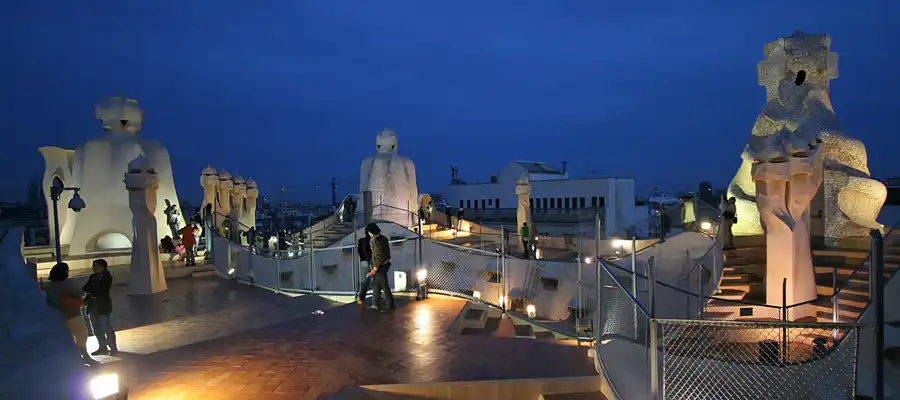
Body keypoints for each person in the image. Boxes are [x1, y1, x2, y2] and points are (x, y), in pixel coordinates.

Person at [44, 262, 95, 364]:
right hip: (73, 314)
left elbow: (50, 300)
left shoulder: (50, 286)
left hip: (59, 315)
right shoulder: (68, 283)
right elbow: (81, 293)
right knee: (81, 335)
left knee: (67, 338)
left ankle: (71, 360)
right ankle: (84, 356)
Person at [83, 259, 117, 356]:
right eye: (93, 266)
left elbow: (102, 289)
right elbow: (86, 288)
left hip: (103, 305)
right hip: (93, 305)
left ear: (102, 267)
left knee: (106, 327)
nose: (93, 268)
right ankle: (102, 346)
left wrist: (92, 292)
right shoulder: (93, 277)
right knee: (96, 327)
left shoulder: (106, 277)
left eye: (96, 266)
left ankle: (113, 347)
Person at [366, 223, 395, 312]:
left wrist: (374, 269)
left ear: (371, 232)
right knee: (376, 285)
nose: (368, 234)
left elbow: (378, 256)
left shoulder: (376, 241)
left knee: (384, 287)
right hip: (384, 265)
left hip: (380, 267)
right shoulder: (384, 238)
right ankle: (375, 303)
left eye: (369, 232)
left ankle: (390, 307)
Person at [356, 233, 373, 305]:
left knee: (367, 279)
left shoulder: (361, 243)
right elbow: (367, 253)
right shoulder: (366, 242)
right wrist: (370, 260)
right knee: (367, 280)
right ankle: (361, 297)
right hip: (366, 261)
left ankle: (361, 297)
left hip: (363, 261)